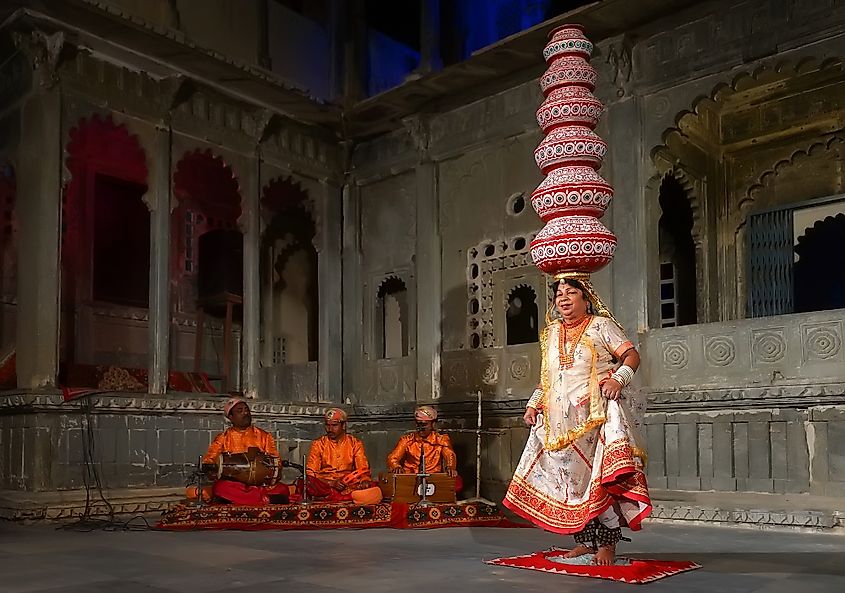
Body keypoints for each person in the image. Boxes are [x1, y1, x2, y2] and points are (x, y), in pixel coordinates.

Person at [503, 277, 651, 566]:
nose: (564, 298)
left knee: (598, 481)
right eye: (559, 294)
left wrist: (619, 380)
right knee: (569, 485)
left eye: (572, 292)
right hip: (558, 422)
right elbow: (548, 378)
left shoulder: (601, 326)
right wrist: (534, 404)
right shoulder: (551, 332)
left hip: (594, 418)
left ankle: (607, 544)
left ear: (587, 298)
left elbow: (631, 356)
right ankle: (585, 542)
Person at [201, 397, 290, 505]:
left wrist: (261, 471)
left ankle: (245, 499)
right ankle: (265, 500)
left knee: (282, 488)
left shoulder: (264, 436)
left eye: (247, 410)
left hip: (260, 485)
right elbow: (209, 461)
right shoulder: (223, 438)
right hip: (235, 485)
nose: (245, 413)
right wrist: (213, 469)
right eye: (240, 411)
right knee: (220, 487)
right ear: (231, 417)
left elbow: (276, 462)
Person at [387, 405, 462, 492]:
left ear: (433, 424)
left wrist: (450, 468)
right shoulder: (406, 440)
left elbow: (450, 455)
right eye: (418, 424)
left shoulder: (441, 440)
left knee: (456, 481)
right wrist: (396, 467)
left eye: (424, 424)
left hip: (433, 479)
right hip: (411, 479)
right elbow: (392, 458)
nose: (421, 428)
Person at [306, 408, 375, 502]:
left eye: (334, 425)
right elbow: (311, 474)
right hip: (325, 485)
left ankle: (342, 496)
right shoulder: (318, 444)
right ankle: (346, 497)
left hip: (348, 484)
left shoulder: (355, 443)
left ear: (344, 426)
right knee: (308, 483)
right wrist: (331, 483)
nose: (330, 429)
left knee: (373, 487)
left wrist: (364, 480)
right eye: (327, 425)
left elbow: (362, 469)